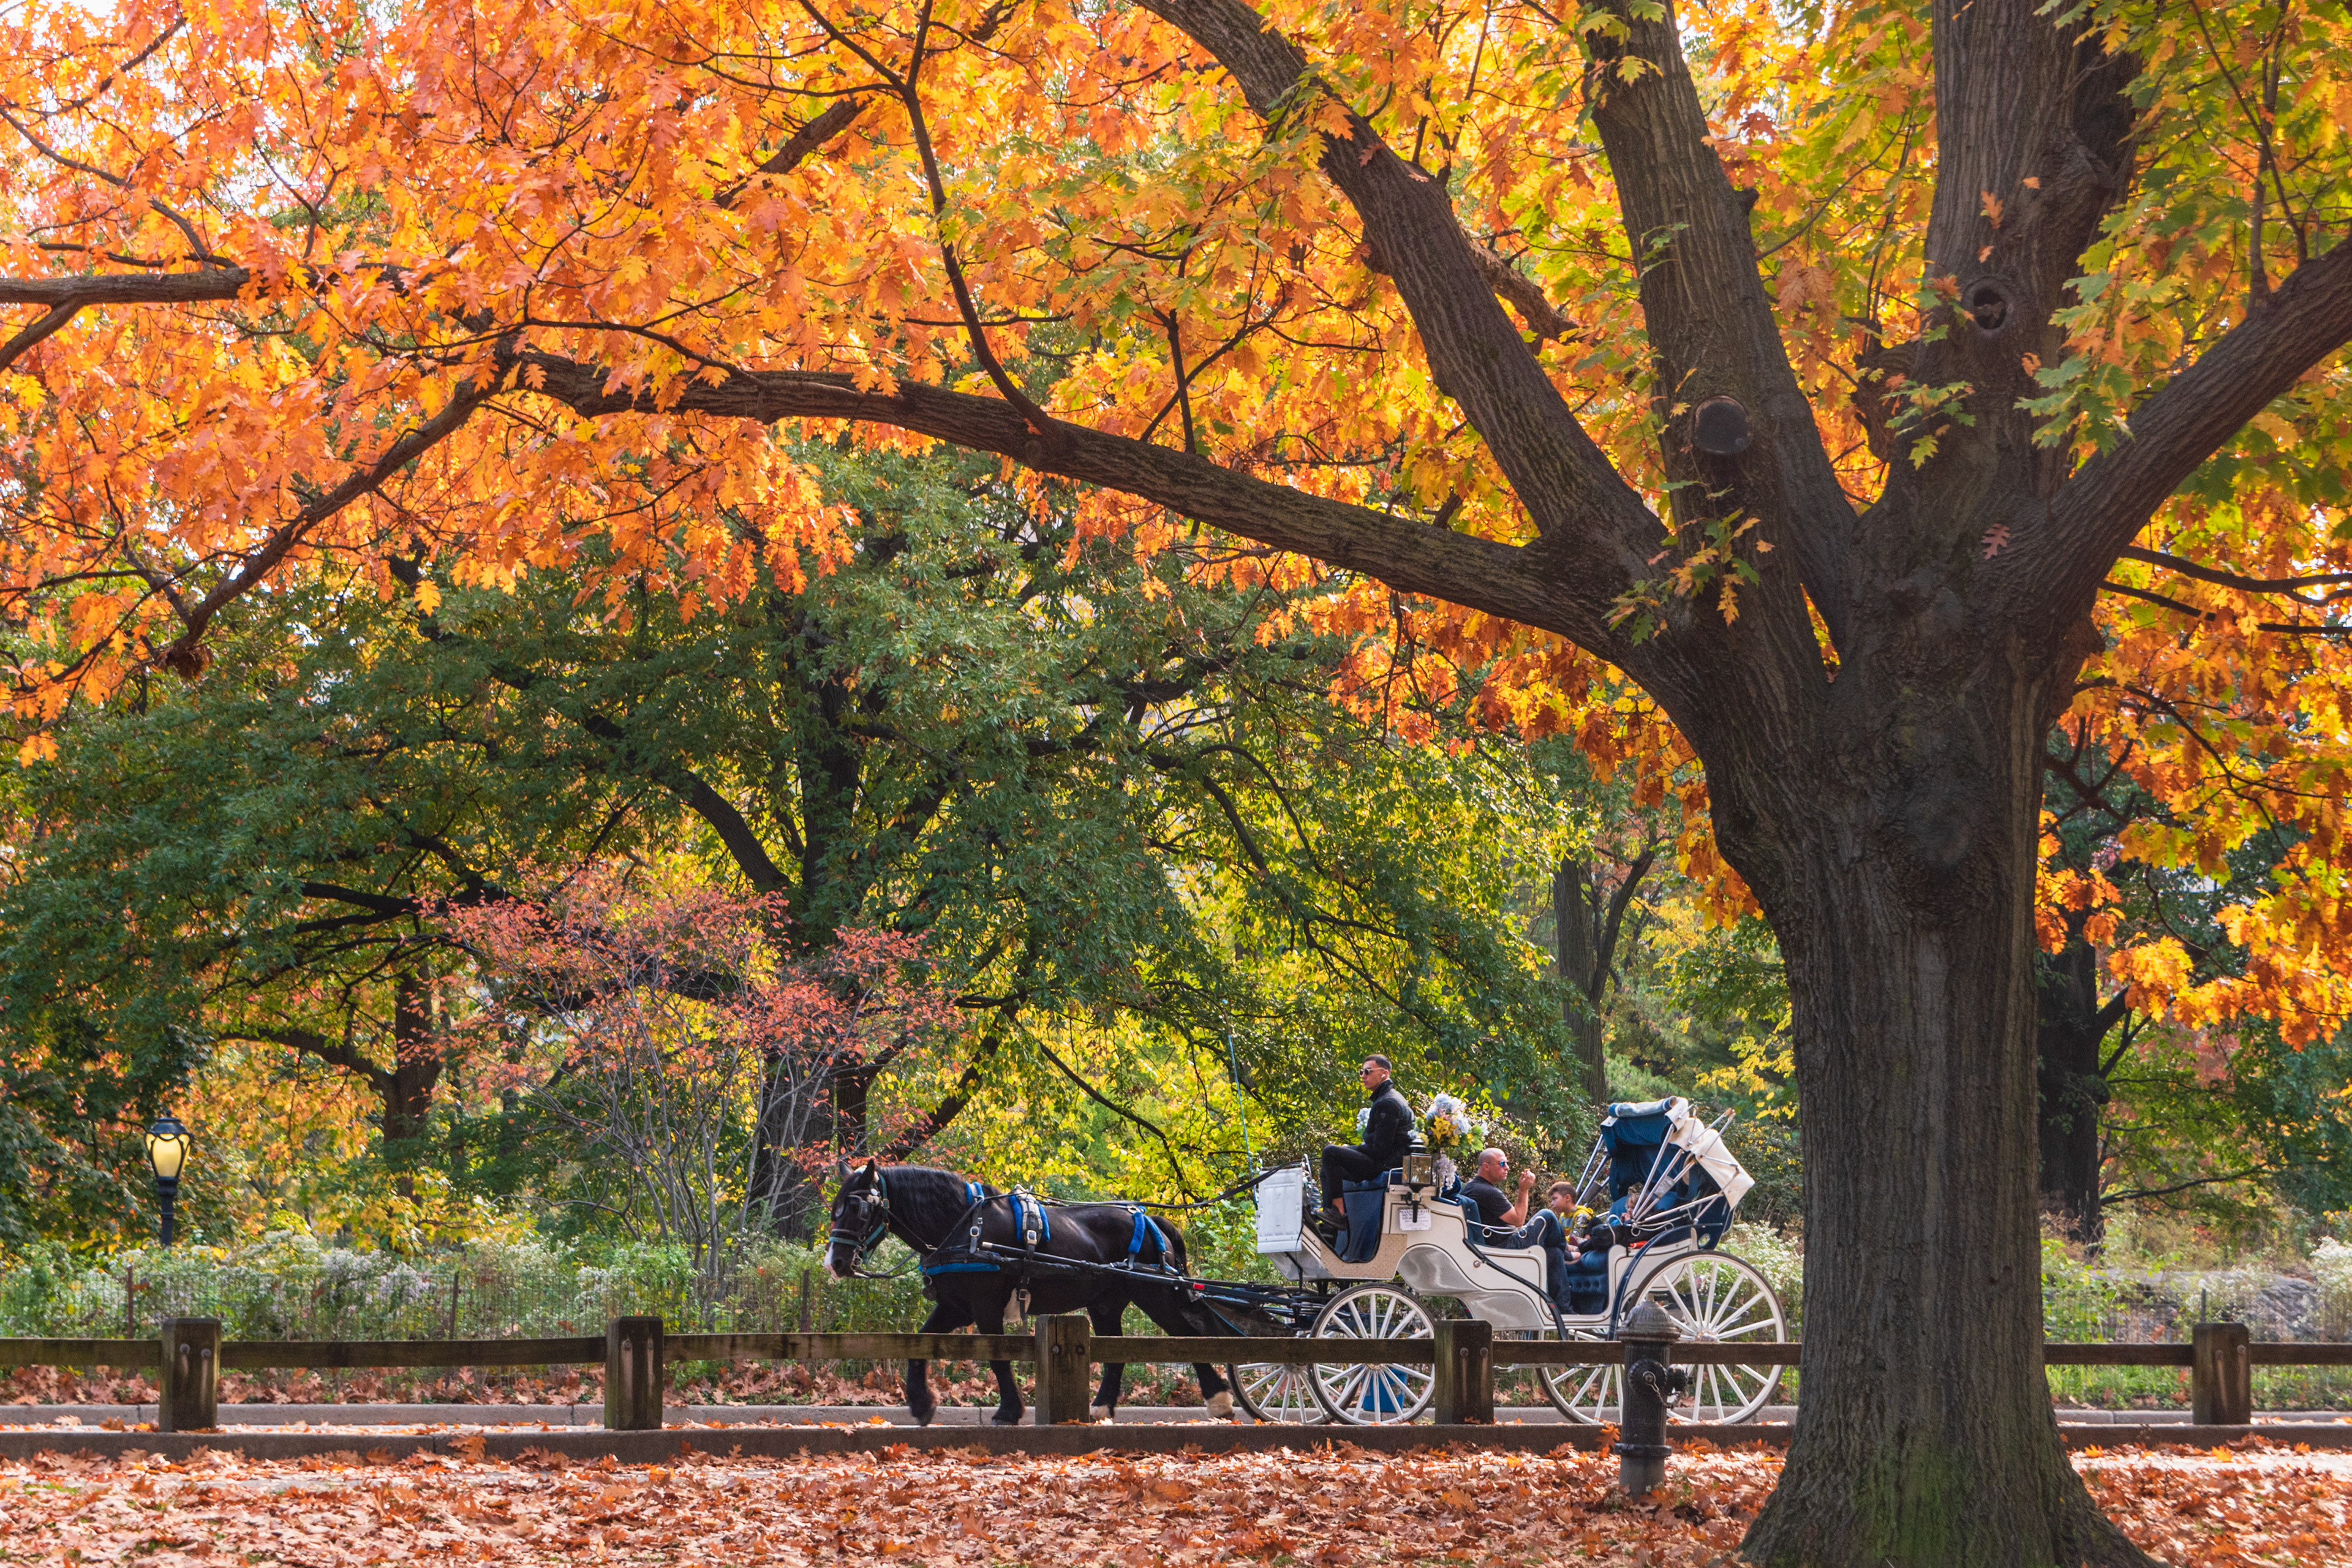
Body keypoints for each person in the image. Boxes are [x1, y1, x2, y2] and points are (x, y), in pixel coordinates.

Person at [1319, 1055, 1415, 1218]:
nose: (1363, 1076)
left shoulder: (1388, 1103)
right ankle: (1332, 1228)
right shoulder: (1387, 1098)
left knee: (1330, 1153)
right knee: (1327, 1170)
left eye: (1368, 1071)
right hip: (1386, 1161)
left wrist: (1350, 1150)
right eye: (1361, 1072)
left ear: (1384, 1074)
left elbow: (1380, 1151)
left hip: (1388, 1165)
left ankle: (1338, 1212)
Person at [1458, 1147, 1535, 1240]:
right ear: (1486, 1166)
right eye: (1502, 1163)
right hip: (1504, 1245)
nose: (1507, 1167)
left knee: (1553, 1250)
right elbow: (1518, 1221)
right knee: (1547, 1216)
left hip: (1494, 1241)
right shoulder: (1487, 1192)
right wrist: (1524, 1190)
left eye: (1507, 1163)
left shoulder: (1472, 1186)